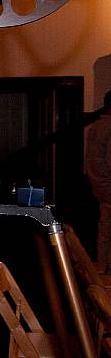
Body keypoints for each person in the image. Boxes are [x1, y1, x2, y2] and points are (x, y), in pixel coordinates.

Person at [88, 89, 111, 273]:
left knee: (105, 228)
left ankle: (102, 266)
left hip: (98, 183)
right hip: (108, 183)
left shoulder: (95, 127)